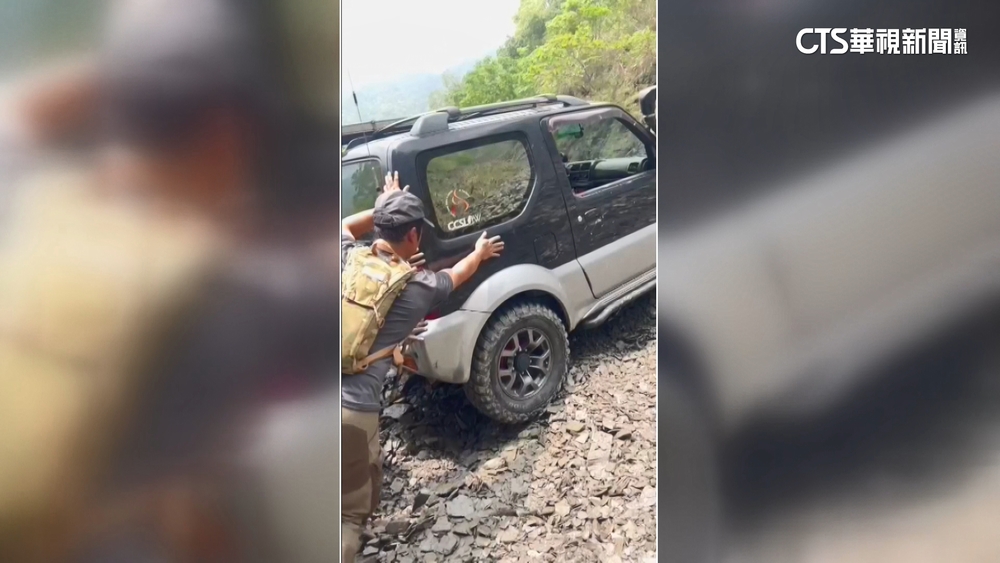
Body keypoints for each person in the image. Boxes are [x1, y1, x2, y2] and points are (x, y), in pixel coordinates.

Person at [0, 0, 341, 560]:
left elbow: (24, 118)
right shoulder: (232, 294)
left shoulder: (29, 200)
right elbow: (333, 284)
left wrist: (119, 68)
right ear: (228, 129)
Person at [340, 172, 504, 561]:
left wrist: (385, 202)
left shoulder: (346, 254)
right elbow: (456, 275)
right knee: (348, 516)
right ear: (414, 237)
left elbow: (346, 225)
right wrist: (479, 252)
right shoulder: (416, 286)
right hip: (352, 409)